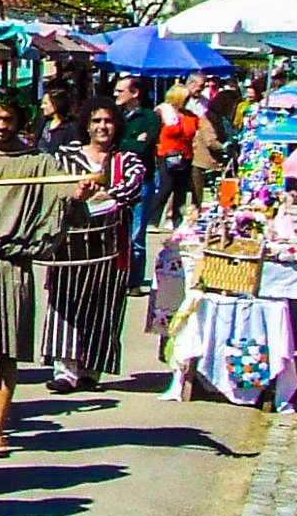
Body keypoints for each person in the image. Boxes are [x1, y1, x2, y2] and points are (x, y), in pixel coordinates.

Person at [0, 90, 78, 458]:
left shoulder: (38, 162)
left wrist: (79, 193)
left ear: (21, 119)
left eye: (8, 119)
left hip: (11, 264)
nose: (1, 126)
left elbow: (65, 194)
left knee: (5, 351)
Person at [42, 101, 143, 393]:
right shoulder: (65, 157)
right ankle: (65, 370)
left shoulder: (127, 160)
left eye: (108, 121)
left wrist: (104, 195)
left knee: (103, 306)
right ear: (86, 125)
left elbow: (132, 188)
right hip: (70, 245)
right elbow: (55, 188)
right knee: (65, 302)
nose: (102, 127)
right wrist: (77, 195)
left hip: (110, 246)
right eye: (96, 121)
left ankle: (91, 370)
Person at [115, 74, 160, 288]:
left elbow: (144, 147)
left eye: (120, 91)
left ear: (135, 93)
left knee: (136, 235)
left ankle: (134, 282)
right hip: (118, 181)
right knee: (117, 232)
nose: (115, 94)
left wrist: (121, 143)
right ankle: (117, 277)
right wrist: (132, 141)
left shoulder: (150, 117)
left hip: (143, 181)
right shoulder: (115, 117)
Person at [150, 84, 199, 230]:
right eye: (185, 98)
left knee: (181, 190)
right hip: (166, 155)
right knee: (165, 188)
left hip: (186, 156)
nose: (187, 101)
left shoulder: (190, 115)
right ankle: (152, 220)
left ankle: (177, 221)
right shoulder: (162, 112)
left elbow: (196, 130)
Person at [192, 87, 239, 210]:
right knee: (197, 199)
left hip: (218, 163)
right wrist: (226, 148)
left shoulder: (223, 119)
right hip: (204, 163)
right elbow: (210, 141)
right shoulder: (208, 118)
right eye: (232, 105)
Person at [36, 88, 81, 153]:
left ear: (56, 104)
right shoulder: (43, 123)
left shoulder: (71, 128)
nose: (42, 106)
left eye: (45, 103)